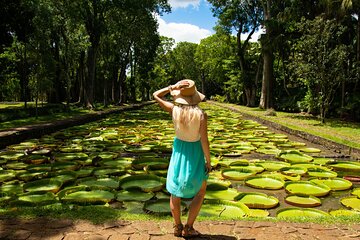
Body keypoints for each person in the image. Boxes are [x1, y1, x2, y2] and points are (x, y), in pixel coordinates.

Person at [153, 79, 211, 238]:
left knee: (175, 192)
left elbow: (156, 95)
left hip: (179, 152)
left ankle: (177, 227)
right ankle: (189, 227)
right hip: (196, 152)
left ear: (180, 96)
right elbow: (204, 141)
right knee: (200, 192)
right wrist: (208, 161)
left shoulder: (173, 110)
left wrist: (171, 87)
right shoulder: (201, 115)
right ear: (195, 96)